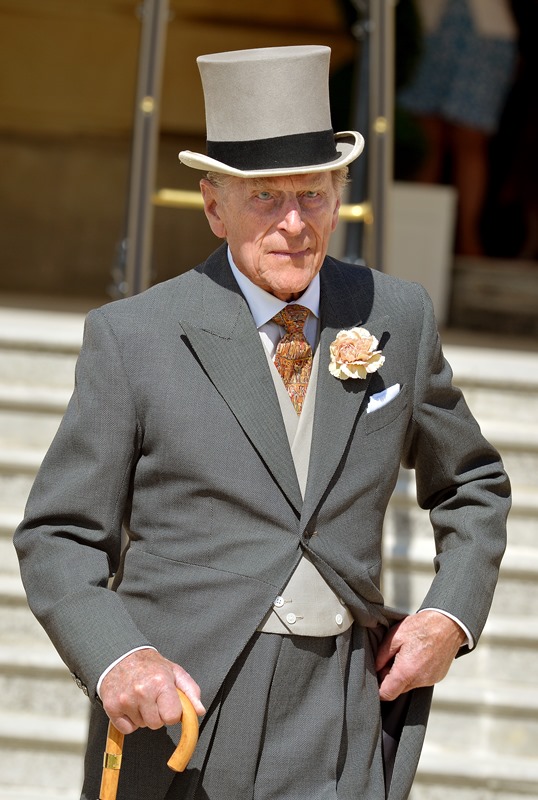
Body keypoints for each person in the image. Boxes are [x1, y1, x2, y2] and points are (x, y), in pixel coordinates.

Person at [14, 46, 510, 800]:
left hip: (344, 708)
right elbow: (59, 534)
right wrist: (119, 658)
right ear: (214, 207)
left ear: (340, 197)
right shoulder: (135, 336)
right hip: (188, 714)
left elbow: (472, 483)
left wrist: (450, 614)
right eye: (265, 198)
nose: (294, 223)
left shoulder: (397, 316)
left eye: (312, 194)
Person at [398, 0, 518, 256]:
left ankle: (468, 239)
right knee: (427, 138)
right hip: (429, 27)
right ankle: (417, 238)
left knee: (470, 137)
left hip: (487, 31)